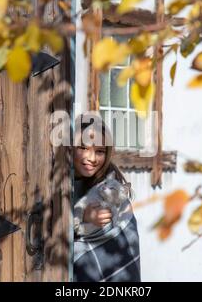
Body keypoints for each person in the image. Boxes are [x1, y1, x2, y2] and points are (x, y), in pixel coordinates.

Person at [72, 114, 141, 282]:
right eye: (83, 148)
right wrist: (83, 216)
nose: (92, 158)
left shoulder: (110, 186)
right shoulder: (55, 182)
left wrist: (84, 219)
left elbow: (124, 239)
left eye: (100, 151)